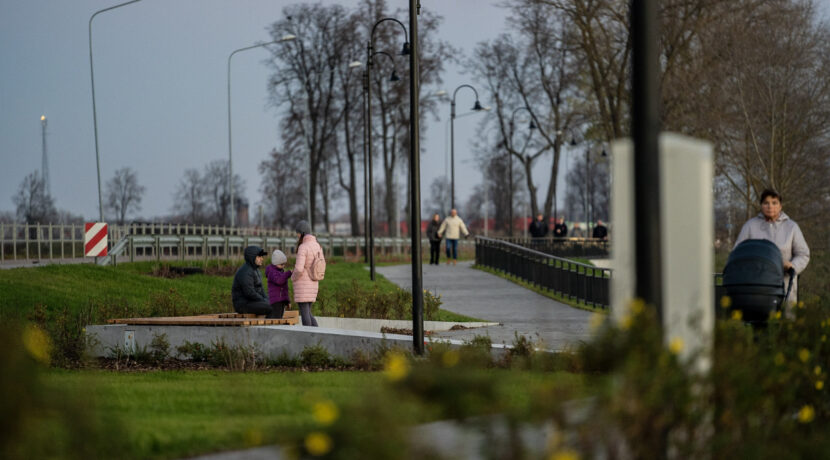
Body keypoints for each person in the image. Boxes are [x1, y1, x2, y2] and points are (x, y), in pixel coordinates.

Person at [734, 189, 809, 308]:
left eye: (774, 203)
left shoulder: (792, 227)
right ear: (761, 205)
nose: (770, 206)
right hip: (755, 286)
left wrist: (792, 266)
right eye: (766, 203)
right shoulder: (750, 226)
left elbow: (803, 254)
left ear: (780, 206)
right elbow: (737, 253)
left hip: (784, 285)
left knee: (784, 322)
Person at [291, 220, 322, 326]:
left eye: (298, 233)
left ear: (302, 233)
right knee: (308, 312)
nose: (297, 235)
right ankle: (317, 337)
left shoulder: (303, 247)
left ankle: (309, 339)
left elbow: (299, 269)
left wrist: (293, 277)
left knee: (305, 314)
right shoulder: (317, 245)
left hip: (303, 285)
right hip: (313, 283)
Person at [231, 245, 274, 317]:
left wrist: (268, 300)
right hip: (243, 305)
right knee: (271, 307)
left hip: (252, 302)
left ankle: (271, 325)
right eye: (259, 257)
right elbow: (249, 293)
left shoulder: (256, 270)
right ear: (252, 257)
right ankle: (269, 327)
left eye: (262, 257)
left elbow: (261, 290)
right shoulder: (245, 272)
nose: (262, 259)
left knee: (275, 304)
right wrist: (264, 301)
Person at [265, 249, 292, 319]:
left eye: (284, 264)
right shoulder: (272, 272)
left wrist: (287, 301)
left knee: (279, 317)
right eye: (281, 264)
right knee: (276, 318)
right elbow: (279, 281)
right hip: (276, 300)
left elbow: (285, 289)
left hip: (281, 300)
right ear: (275, 263)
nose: (283, 266)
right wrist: (288, 274)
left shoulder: (280, 271)